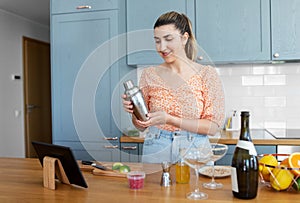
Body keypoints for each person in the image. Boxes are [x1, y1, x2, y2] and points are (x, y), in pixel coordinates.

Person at [122, 11, 225, 163]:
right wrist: (134, 112)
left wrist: (170, 119)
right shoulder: (149, 74)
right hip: (156, 145)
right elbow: (142, 127)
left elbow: (212, 128)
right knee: (154, 188)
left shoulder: (206, 74)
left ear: (184, 38)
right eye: (157, 41)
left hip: (195, 148)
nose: (162, 47)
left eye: (168, 39)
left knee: (195, 187)